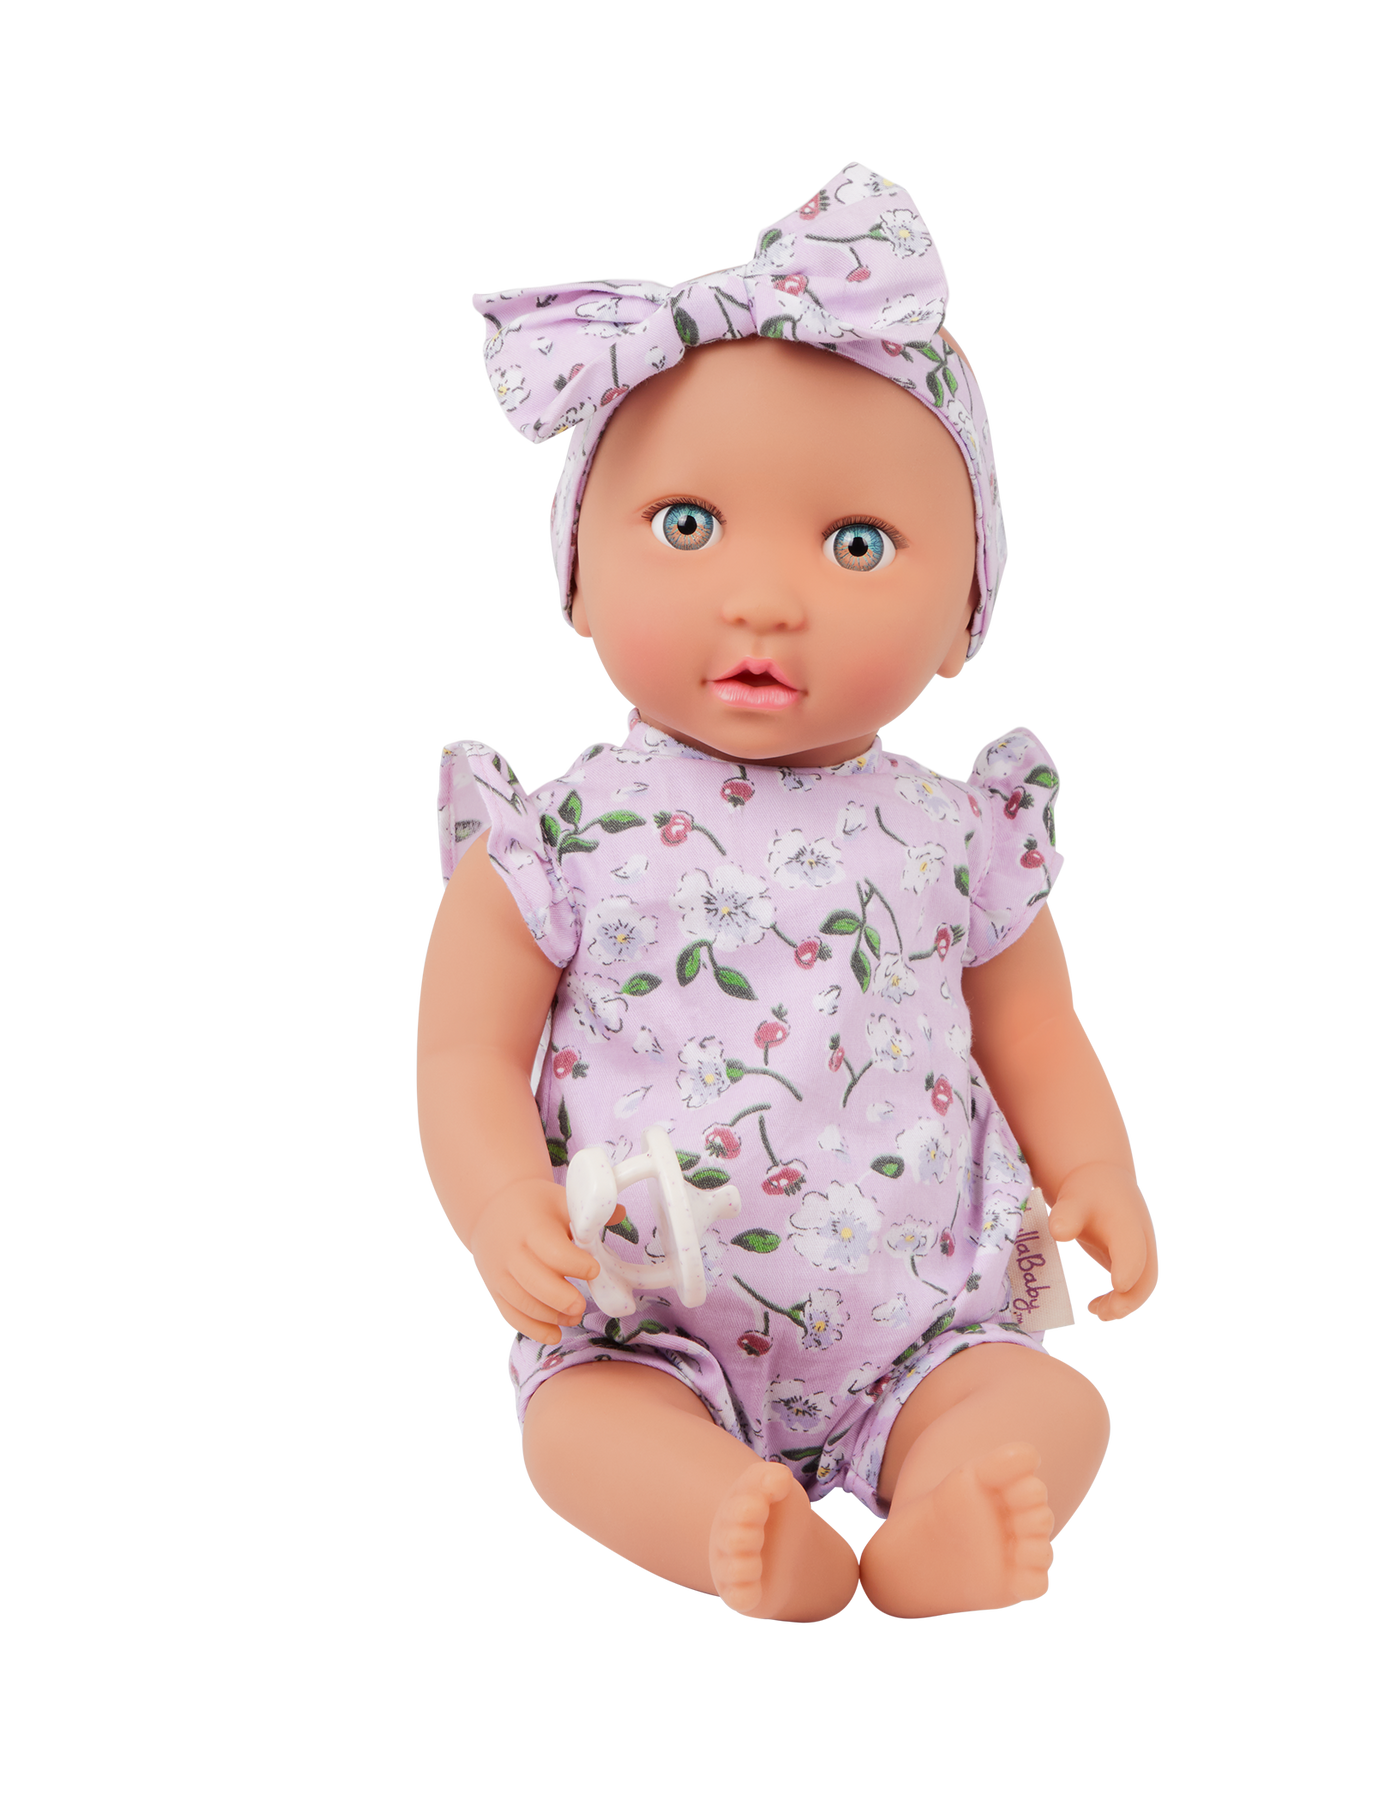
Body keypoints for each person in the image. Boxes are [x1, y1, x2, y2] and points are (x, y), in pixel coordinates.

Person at [416, 161, 1160, 1623]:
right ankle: (725, 1522)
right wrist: (500, 1205)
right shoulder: (554, 836)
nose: (766, 598)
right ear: (576, 578)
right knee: (576, 1438)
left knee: (1055, 1405)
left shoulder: (961, 833)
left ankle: (942, 1513)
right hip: (645, 1316)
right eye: (688, 526)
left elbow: (1039, 1030)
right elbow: (462, 1053)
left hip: (925, 1319)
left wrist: (1099, 1168)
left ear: (964, 618)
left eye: (856, 545)